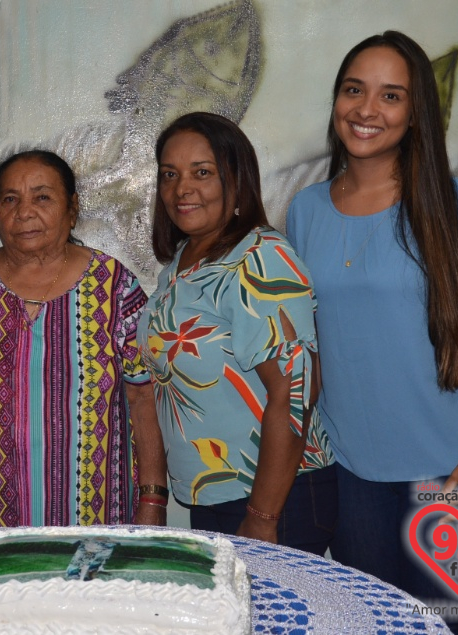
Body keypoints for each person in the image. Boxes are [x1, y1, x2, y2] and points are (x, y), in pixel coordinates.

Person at [285, 31, 458, 634]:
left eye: (391, 96)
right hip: (355, 470)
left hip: (452, 469)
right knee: (374, 627)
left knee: (450, 628)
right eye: (354, 90)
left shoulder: (456, 203)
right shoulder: (304, 211)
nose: (367, 109)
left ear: (416, 115)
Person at [0, 150, 167, 537]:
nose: (24, 212)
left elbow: (143, 399)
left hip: (96, 530)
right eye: (10, 199)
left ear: (72, 209)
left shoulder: (114, 285)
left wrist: (152, 500)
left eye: (42, 197)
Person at [140, 112, 336, 555]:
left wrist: (263, 516)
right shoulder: (182, 264)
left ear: (237, 180)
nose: (181, 188)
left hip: (273, 499)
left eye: (202, 173)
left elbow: (296, 387)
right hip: (214, 494)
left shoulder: (260, 257)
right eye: (169, 174)